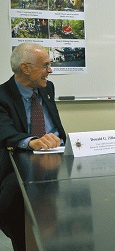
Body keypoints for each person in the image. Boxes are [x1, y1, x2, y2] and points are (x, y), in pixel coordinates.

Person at [0, 43, 66, 250]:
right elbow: (5, 132)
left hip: (57, 155)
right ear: (26, 68)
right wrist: (32, 141)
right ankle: (24, 242)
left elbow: (55, 128)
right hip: (21, 161)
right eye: (45, 65)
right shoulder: (2, 96)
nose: (50, 70)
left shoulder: (48, 88)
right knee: (14, 195)